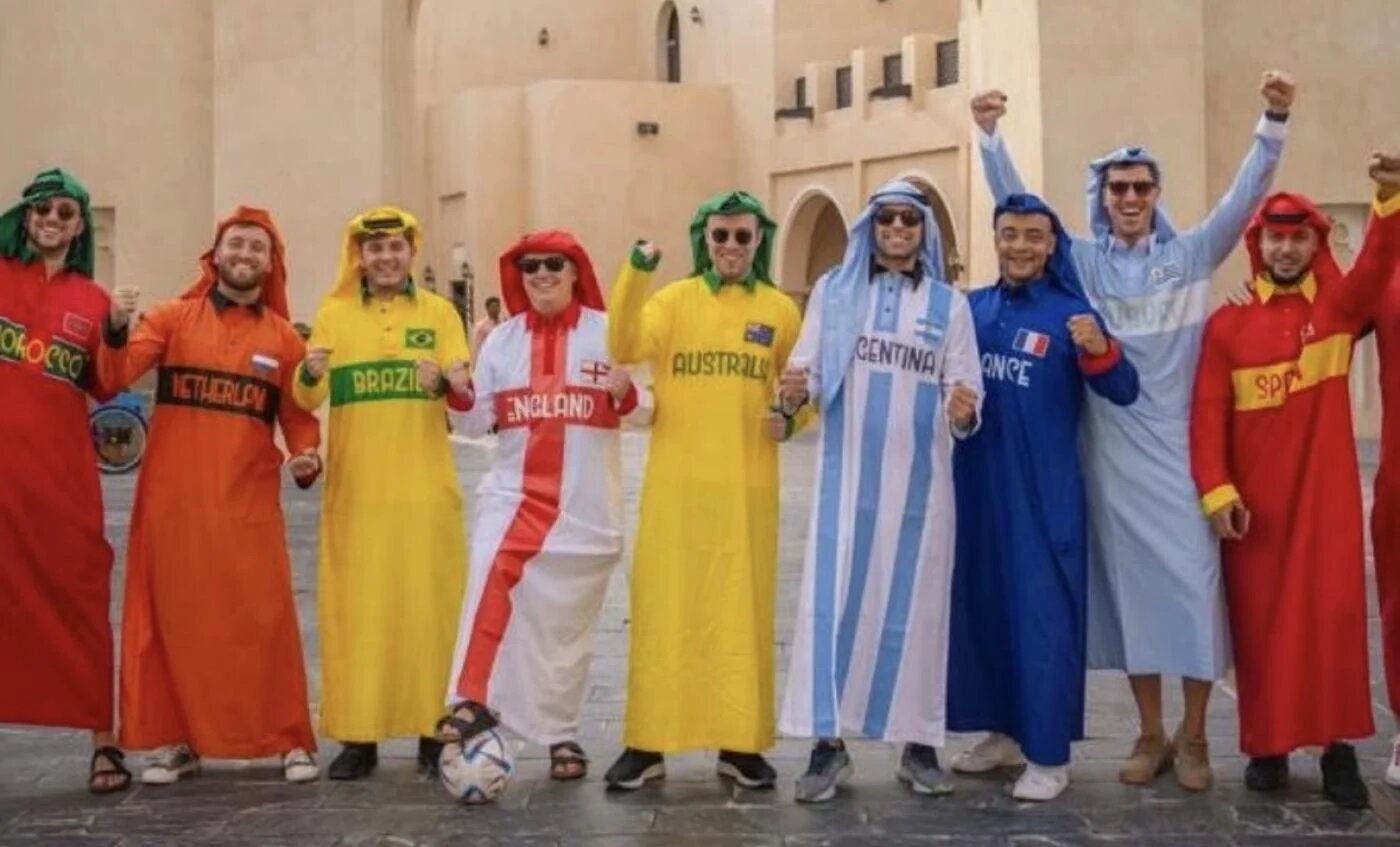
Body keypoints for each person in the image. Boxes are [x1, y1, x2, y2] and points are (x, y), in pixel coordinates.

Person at [970, 69, 1296, 790]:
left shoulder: (1190, 255)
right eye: (1116, 188)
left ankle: (1196, 734)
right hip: (1111, 459)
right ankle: (1150, 734)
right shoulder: (1081, 263)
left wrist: (1272, 119)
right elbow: (1021, 214)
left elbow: (1245, 199)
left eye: (1140, 187)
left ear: (1156, 195)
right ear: (1103, 196)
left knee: (1193, 592)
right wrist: (990, 136)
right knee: (1135, 601)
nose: (1128, 199)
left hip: (1183, 458)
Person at [1191, 162, 1400, 809]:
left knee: (1334, 624)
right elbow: (1205, 415)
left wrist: (1389, 197)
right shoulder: (1226, 325)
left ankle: (1338, 749)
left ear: (1315, 243)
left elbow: (1373, 264)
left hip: (1327, 507)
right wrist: (1218, 491)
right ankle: (1268, 745)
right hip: (1255, 515)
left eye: (1298, 238)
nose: (1285, 248)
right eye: (1274, 238)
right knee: (1261, 632)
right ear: (1259, 243)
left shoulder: (1338, 312)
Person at [97, 206, 323, 785]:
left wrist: (307, 456)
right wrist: (116, 327)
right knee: (173, 620)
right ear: (215, 255)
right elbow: (118, 374)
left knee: (264, 617)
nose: (245, 255)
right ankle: (178, 742)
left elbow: (297, 418)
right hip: (172, 504)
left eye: (257, 248)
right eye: (236, 245)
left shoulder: (282, 340)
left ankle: (288, 739)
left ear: (271, 265)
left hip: (246, 502)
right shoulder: (171, 318)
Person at [776, 181, 982, 803]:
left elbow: (965, 388)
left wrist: (963, 408)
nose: (898, 229)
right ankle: (826, 746)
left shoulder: (951, 306)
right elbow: (806, 374)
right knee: (831, 610)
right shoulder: (835, 297)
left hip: (922, 495)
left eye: (910, 220)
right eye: (887, 218)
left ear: (924, 232)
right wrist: (790, 393)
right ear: (871, 226)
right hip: (845, 489)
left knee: (917, 615)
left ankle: (917, 745)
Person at [603, 191, 807, 791]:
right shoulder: (672, 301)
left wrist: (792, 416)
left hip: (748, 491)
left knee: (740, 614)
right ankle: (646, 742)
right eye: (721, 236)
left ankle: (740, 745)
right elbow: (622, 345)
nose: (731, 248)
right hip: (675, 491)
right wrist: (636, 272)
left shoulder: (779, 311)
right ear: (704, 240)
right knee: (665, 612)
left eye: (743, 237)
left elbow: (803, 389)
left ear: (758, 241)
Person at [946, 193, 1139, 801]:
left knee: (1044, 620)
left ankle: (1049, 755)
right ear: (996, 238)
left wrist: (1098, 349)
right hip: (979, 490)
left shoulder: (1073, 313)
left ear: (1053, 244)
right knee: (987, 611)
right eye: (1010, 234)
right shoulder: (970, 311)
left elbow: (1124, 390)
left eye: (1034, 236)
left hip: (1045, 498)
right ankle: (1002, 735)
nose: (1021, 246)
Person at [438, 230, 641, 784]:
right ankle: (471, 699)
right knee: (489, 573)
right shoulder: (502, 341)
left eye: (555, 264)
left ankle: (561, 734)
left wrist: (626, 392)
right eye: (530, 266)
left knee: (562, 634)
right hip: (513, 497)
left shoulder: (610, 334)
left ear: (577, 271)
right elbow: (476, 420)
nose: (542, 274)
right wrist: (457, 392)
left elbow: (648, 409)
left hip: (587, 512)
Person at [292, 206, 473, 780]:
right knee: (357, 613)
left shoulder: (442, 314)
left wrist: (446, 382)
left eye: (395, 247)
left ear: (410, 252)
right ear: (359, 257)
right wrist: (310, 372)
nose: (385, 258)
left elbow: (466, 395)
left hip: (425, 494)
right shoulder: (334, 313)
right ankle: (358, 735)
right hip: (358, 495)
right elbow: (304, 401)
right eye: (375, 250)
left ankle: (430, 727)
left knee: (427, 611)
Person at [0, 167, 135, 793]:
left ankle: (101, 737)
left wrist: (115, 332)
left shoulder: (93, 300)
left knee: (80, 595)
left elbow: (106, 383)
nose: (52, 222)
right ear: (26, 218)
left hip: (59, 480)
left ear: (81, 226)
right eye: (43, 211)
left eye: (65, 213)